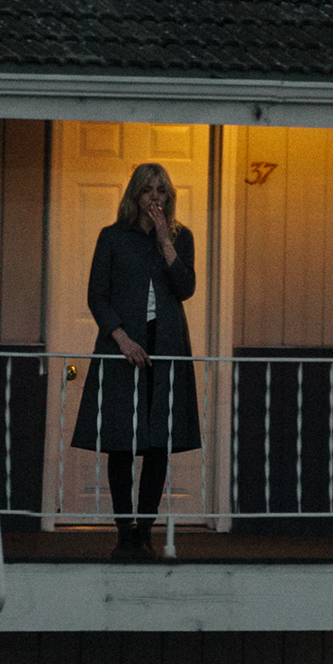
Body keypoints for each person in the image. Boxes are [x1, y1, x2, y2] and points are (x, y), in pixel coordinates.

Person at [71, 160, 201, 555]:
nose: (155, 198)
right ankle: (124, 531)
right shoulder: (112, 237)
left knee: (158, 440)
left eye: (162, 191)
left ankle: (145, 531)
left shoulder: (182, 237)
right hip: (123, 348)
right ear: (135, 195)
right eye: (148, 190)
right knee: (122, 442)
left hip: (167, 346)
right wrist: (122, 338)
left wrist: (165, 241)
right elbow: (97, 294)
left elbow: (186, 287)